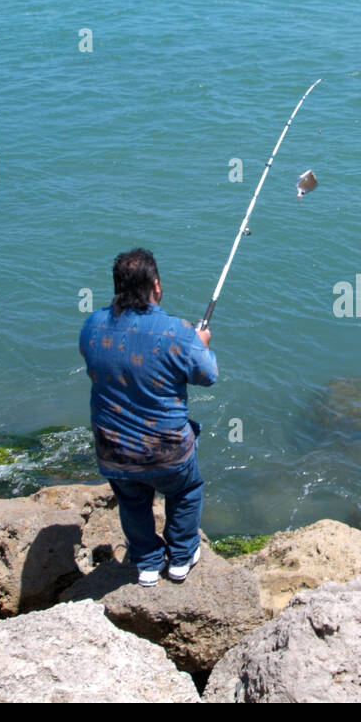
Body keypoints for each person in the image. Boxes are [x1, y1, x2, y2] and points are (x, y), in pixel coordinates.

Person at [79, 248, 217, 585]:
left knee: (131, 498)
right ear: (156, 286)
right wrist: (201, 343)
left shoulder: (91, 325)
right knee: (186, 490)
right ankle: (182, 556)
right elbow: (207, 375)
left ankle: (148, 563)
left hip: (114, 450)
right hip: (167, 450)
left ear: (117, 288)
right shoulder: (178, 332)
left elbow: (96, 360)